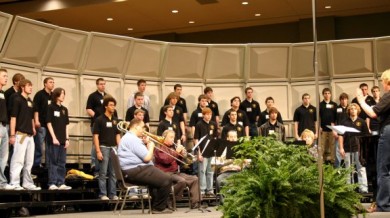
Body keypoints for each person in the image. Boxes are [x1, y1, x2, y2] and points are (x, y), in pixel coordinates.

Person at [118, 119, 173, 214]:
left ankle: (154, 207)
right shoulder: (133, 139)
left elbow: (147, 157)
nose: (144, 130)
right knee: (167, 180)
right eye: (142, 127)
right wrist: (151, 146)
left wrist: (146, 144)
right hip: (135, 170)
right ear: (136, 127)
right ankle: (158, 208)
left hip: (134, 170)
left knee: (157, 181)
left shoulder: (129, 138)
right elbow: (147, 158)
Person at [356, 69, 390, 212]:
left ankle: (383, 205)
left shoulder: (388, 96)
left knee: (383, 170)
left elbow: (372, 113)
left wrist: (360, 101)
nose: (382, 85)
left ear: (387, 81)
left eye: (382, 81)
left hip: (388, 131)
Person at [6, 79, 40, 190]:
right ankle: (14, 183)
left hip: (30, 135)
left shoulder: (29, 101)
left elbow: (30, 117)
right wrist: (12, 135)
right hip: (20, 134)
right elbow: (13, 118)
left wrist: (33, 127)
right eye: (28, 86)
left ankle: (27, 182)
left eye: (31, 86)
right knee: (18, 160)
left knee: (29, 161)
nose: (31, 88)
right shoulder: (17, 99)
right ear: (22, 87)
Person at [154, 129, 200, 209]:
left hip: (175, 172)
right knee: (181, 181)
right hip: (165, 173)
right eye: (171, 137)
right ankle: (169, 199)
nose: (173, 139)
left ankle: (195, 203)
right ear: (164, 137)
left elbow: (179, 163)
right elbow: (166, 161)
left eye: (173, 137)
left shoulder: (172, 148)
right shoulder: (159, 148)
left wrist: (181, 155)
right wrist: (176, 152)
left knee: (194, 179)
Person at [93, 95, 120, 200]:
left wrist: (120, 148)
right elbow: (95, 136)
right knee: (103, 172)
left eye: (114, 105)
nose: (113, 107)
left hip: (114, 148)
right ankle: (103, 194)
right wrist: (98, 151)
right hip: (103, 147)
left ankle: (113, 194)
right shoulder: (99, 119)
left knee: (113, 173)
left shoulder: (115, 120)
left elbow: (117, 135)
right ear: (105, 106)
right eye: (111, 105)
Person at [338, 103, 369, 193]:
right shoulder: (344, 122)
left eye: (354, 108)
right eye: (351, 109)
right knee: (348, 169)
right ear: (349, 111)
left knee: (361, 169)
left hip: (359, 149)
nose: (353, 110)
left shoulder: (362, 122)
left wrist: (365, 150)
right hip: (347, 148)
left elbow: (366, 136)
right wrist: (341, 148)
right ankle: (349, 189)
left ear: (358, 110)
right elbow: (340, 135)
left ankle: (363, 189)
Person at [46, 87, 72, 190]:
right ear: (56, 95)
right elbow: (49, 123)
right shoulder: (50, 107)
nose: (63, 95)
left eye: (64, 93)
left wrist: (67, 139)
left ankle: (61, 182)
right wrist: (54, 137)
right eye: (62, 93)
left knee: (62, 162)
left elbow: (66, 125)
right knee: (53, 161)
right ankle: (52, 182)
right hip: (54, 139)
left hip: (62, 139)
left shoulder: (64, 109)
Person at [194, 108, 218, 197]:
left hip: (211, 151)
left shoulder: (213, 124)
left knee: (210, 171)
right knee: (202, 171)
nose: (209, 116)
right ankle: (202, 190)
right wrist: (199, 153)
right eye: (207, 114)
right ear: (203, 115)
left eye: (210, 114)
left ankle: (210, 190)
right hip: (203, 152)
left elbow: (215, 138)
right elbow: (196, 139)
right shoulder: (199, 124)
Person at [86, 78, 107, 176]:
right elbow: (89, 109)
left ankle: (102, 166)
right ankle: (93, 164)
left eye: (104, 84)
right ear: (97, 85)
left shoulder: (107, 96)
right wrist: (98, 118)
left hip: (106, 125)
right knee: (95, 144)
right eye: (101, 84)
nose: (103, 86)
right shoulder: (92, 96)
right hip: (96, 123)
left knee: (104, 145)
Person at [33, 77, 54, 169]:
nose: (52, 84)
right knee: (39, 145)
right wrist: (36, 121)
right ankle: (37, 163)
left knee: (49, 146)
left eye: (53, 82)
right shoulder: (39, 94)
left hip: (50, 125)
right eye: (50, 82)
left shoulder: (53, 96)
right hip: (41, 124)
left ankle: (49, 164)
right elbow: (35, 109)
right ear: (45, 84)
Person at [319, 88, 337, 164]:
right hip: (323, 129)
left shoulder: (334, 104)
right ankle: (321, 162)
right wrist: (319, 126)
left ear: (330, 94)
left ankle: (333, 162)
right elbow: (318, 117)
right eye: (325, 93)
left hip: (332, 129)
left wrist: (335, 128)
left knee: (332, 146)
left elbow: (336, 117)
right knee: (322, 146)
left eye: (328, 93)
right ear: (323, 95)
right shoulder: (320, 105)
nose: (327, 95)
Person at [0, 69, 11, 189]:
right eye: (3, 76)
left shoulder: (2, 92)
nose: (6, 78)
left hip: (4, 126)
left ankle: (2, 182)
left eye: (7, 76)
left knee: (3, 157)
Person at [334, 93, 350, 168]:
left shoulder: (350, 108)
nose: (344, 101)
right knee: (338, 152)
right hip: (339, 133)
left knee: (348, 151)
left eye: (345, 99)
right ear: (340, 100)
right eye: (342, 99)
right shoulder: (336, 109)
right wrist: (334, 132)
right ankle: (337, 169)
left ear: (347, 100)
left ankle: (348, 168)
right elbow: (333, 121)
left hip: (348, 134)